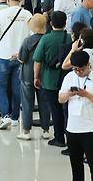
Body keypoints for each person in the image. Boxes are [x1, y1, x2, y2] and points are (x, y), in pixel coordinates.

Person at [58, 50, 93, 181]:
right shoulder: (69, 77)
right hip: (72, 129)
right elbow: (60, 99)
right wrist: (69, 94)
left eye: (81, 69)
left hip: (90, 130)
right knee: (76, 167)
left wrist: (87, 94)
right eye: (75, 69)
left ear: (88, 65)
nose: (78, 72)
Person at [0, 0, 33, 130]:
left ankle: (5, 116)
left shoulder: (1, 14)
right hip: (21, 56)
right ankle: (15, 117)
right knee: (17, 87)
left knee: (1, 87)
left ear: (7, 0)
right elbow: (32, 35)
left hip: (3, 55)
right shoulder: (27, 14)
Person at [33, 11, 70, 148]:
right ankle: (70, 137)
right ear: (65, 23)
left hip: (49, 79)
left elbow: (37, 60)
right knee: (67, 109)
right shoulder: (70, 38)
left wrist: (36, 77)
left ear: (50, 23)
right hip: (66, 78)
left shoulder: (46, 39)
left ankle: (59, 138)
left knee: (55, 109)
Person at [17, 13, 48, 140]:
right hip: (44, 76)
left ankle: (26, 131)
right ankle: (45, 130)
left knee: (27, 103)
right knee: (44, 103)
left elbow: (22, 58)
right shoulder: (47, 39)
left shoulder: (27, 41)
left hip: (27, 75)